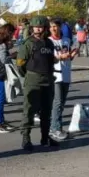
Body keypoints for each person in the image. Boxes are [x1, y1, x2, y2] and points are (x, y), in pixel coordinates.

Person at [15, 16, 56, 151]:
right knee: (29, 110)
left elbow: (51, 60)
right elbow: (20, 64)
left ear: (45, 28)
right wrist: (28, 76)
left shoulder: (49, 43)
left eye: (40, 27)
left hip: (48, 80)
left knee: (47, 111)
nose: (38, 29)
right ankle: (26, 138)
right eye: (35, 27)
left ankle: (45, 137)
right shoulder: (28, 43)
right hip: (33, 79)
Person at [48, 18, 77, 141]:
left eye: (55, 26)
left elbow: (69, 56)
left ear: (60, 27)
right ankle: (54, 128)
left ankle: (57, 126)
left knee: (62, 103)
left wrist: (73, 54)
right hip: (55, 75)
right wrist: (61, 57)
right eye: (51, 27)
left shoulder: (66, 40)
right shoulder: (48, 42)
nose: (54, 29)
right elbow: (50, 58)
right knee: (57, 102)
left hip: (66, 74)